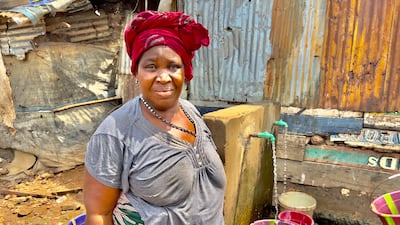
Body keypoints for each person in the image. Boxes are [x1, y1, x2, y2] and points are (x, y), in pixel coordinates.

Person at [83, 10, 226, 225]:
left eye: (173, 66)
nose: (163, 77)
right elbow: (98, 215)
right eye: (151, 67)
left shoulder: (192, 113)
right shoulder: (115, 133)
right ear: (136, 72)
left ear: (185, 72)